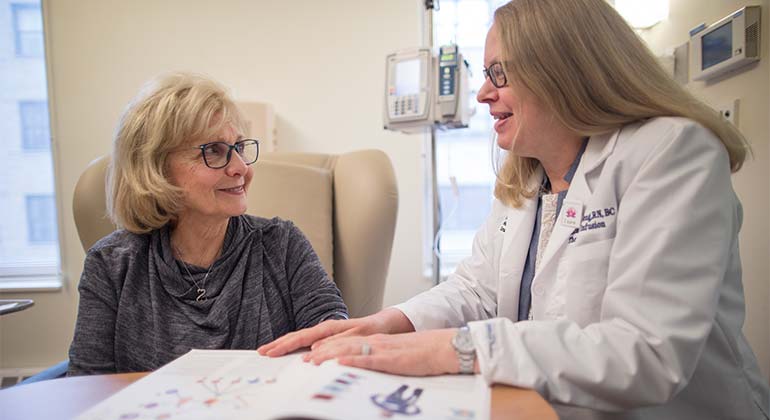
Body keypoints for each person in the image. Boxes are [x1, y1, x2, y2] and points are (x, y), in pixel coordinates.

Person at [258, 0, 770, 418]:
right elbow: (475, 289)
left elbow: (646, 353)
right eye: (485, 75)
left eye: (498, 74)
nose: (482, 94)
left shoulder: (671, 152)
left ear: (566, 70)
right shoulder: (529, 178)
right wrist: (388, 323)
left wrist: (453, 350)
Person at [68, 72, 347, 376]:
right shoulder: (111, 265)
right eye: (213, 150)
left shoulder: (282, 245)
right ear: (156, 167)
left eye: (238, 147)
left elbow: (334, 344)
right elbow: (87, 387)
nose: (241, 167)